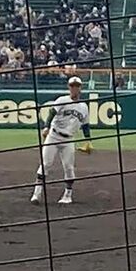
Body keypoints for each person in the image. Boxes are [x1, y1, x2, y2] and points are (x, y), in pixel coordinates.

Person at [31, 75, 93, 206]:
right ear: (69, 87)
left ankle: (67, 195)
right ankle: (37, 194)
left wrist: (89, 141)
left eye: (76, 86)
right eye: (72, 86)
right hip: (54, 136)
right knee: (45, 164)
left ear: (80, 88)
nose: (74, 89)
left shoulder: (84, 107)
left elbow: (86, 125)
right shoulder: (62, 100)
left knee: (69, 168)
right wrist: (46, 126)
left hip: (69, 139)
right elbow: (51, 113)